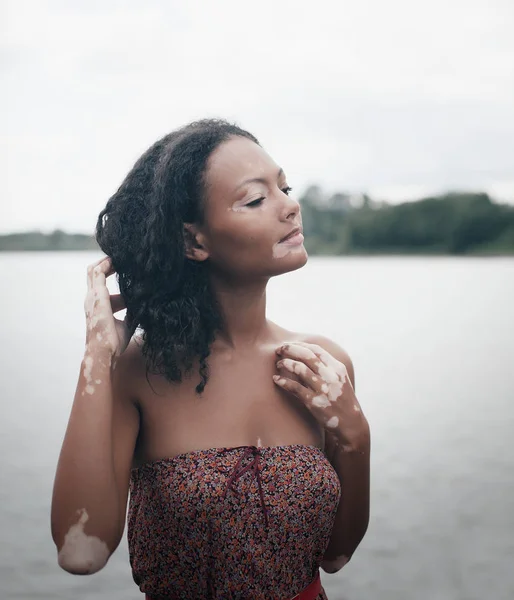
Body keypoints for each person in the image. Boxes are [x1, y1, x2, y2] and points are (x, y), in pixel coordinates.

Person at [50, 119, 370, 600]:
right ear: (193, 241)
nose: (290, 206)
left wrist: (355, 438)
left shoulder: (319, 365)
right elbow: (81, 555)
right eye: (256, 199)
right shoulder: (137, 374)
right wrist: (97, 359)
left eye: (284, 187)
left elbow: (336, 554)